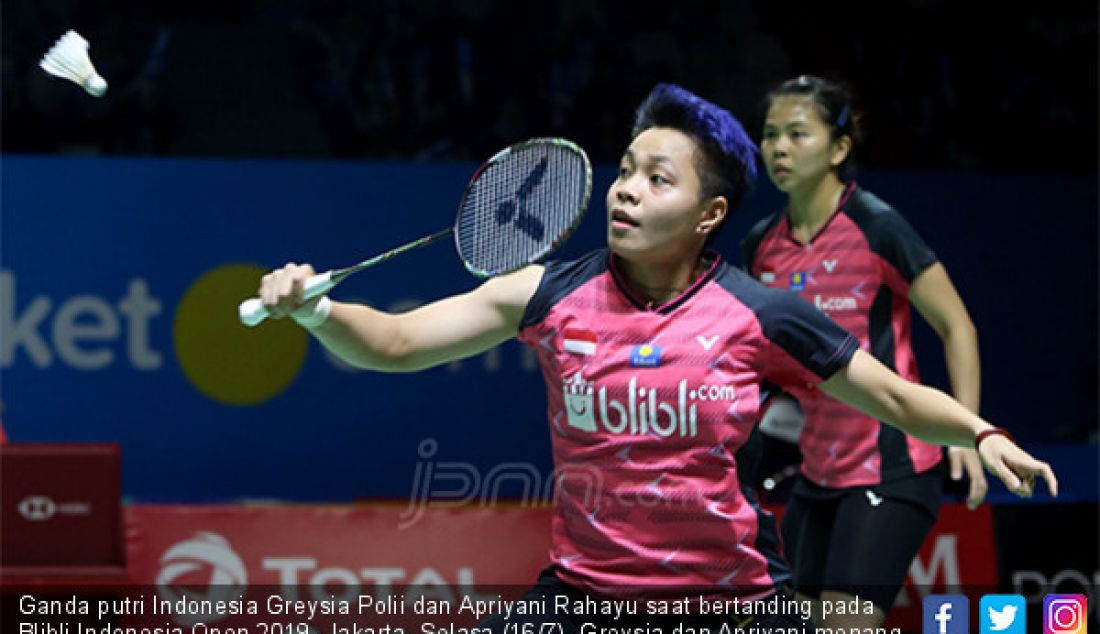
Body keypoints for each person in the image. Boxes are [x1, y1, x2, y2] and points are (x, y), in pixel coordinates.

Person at [258, 83, 1055, 633]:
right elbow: (395, 344)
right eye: (628, 170)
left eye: (657, 178)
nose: (626, 190)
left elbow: (893, 397)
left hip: (730, 601)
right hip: (585, 596)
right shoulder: (547, 293)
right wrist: (317, 310)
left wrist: (980, 434)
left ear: (711, 213)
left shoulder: (759, 311)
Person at [742, 75, 988, 628]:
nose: (779, 147)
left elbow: (957, 326)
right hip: (816, 475)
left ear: (839, 148)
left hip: (892, 471)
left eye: (797, 134)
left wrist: (968, 432)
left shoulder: (876, 227)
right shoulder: (762, 246)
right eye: (770, 134)